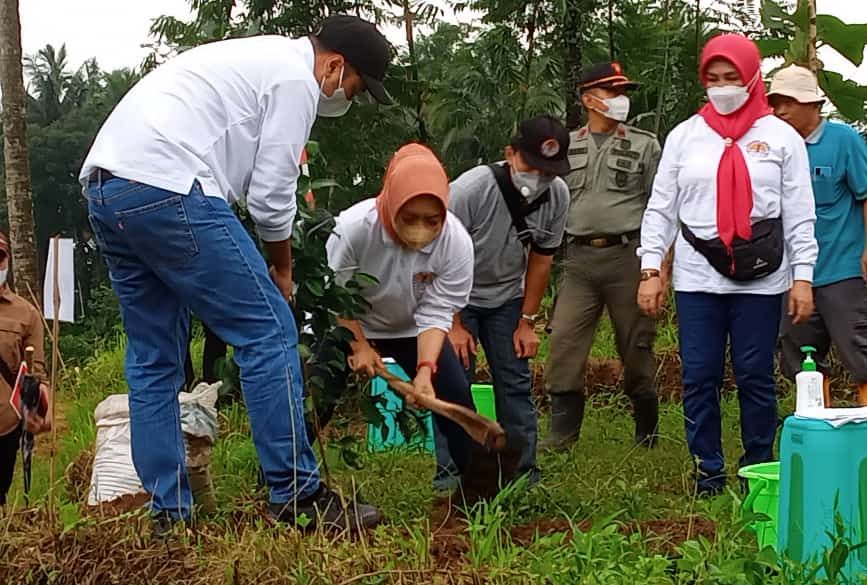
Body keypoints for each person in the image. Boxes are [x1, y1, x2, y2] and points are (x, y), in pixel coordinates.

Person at [80, 15, 392, 534]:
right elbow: (270, 199)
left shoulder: (257, 59)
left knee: (154, 358)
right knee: (268, 331)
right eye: (355, 88)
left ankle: (169, 517)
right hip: (169, 182)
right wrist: (282, 268)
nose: (348, 98)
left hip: (109, 188)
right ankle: (298, 497)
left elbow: (247, 183)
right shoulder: (296, 79)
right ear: (335, 64)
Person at [637, 34, 818, 496]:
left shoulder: (780, 138)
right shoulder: (685, 136)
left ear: (752, 77)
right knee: (699, 373)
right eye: (713, 79)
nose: (721, 87)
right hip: (699, 275)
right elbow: (661, 207)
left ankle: (759, 466)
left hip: (761, 276)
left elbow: (799, 211)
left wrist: (803, 278)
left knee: (756, 372)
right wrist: (651, 268)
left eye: (731, 78)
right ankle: (708, 471)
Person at [326, 143, 478, 511]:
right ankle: (287, 485)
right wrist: (358, 344)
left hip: (413, 328)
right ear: (391, 204)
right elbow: (333, 293)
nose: (421, 230)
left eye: (432, 220)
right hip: (349, 321)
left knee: (456, 398)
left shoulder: (455, 242)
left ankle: (478, 491)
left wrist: (426, 370)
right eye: (410, 218)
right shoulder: (353, 229)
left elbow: (437, 309)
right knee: (315, 395)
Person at [541, 62, 665, 451]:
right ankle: (562, 435)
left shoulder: (645, 145)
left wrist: (659, 269)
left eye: (622, 91)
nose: (620, 100)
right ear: (588, 99)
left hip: (627, 256)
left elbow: (662, 206)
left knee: (636, 345)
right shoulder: (566, 145)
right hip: (578, 259)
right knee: (563, 339)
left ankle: (646, 433)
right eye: (612, 92)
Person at [442, 115, 572, 487]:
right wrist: (452, 323)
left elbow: (542, 259)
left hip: (507, 298)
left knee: (514, 382)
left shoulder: (557, 194)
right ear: (510, 154)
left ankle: (523, 473)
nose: (539, 178)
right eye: (532, 167)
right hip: (457, 297)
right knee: (453, 383)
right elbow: (437, 257)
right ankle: (453, 475)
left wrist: (526, 321)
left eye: (548, 171)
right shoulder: (470, 191)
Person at [767, 65, 867, 406]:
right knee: (798, 356)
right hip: (792, 275)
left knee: (861, 349)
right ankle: (818, 427)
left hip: (841, 269)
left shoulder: (843, 140)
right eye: (775, 103)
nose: (780, 111)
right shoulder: (774, 146)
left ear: (812, 104)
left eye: (788, 102)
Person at [0, 234, 52, 508]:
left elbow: (37, 374)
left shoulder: (26, 314)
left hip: (5, 424)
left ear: (7, 261)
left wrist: (44, 410)